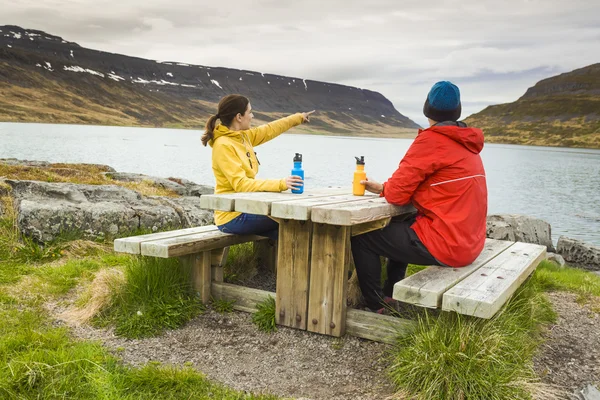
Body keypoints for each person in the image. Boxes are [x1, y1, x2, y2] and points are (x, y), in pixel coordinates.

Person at [351, 81, 488, 313]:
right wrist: (385, 187)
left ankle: (376, 305)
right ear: (458, 110)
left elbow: (396, 194)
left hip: (449, 246)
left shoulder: (432, 141)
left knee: (363, 236)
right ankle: (390, 292)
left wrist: (385, 189)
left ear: (427, 109)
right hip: (470, 243)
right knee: (402, 221)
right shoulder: (467, 143)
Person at [201, 94, 314, 241]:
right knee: (292, 219)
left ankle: (277, 263)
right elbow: (241, 184)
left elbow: (270, 129)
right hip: (232, 216)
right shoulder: (223, 145)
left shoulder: (243, 136)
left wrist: (298, 117)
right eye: (250, 112)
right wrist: (281, 183)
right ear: (239, 117)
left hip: (246, 207)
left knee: (293, 231)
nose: (252, 116)